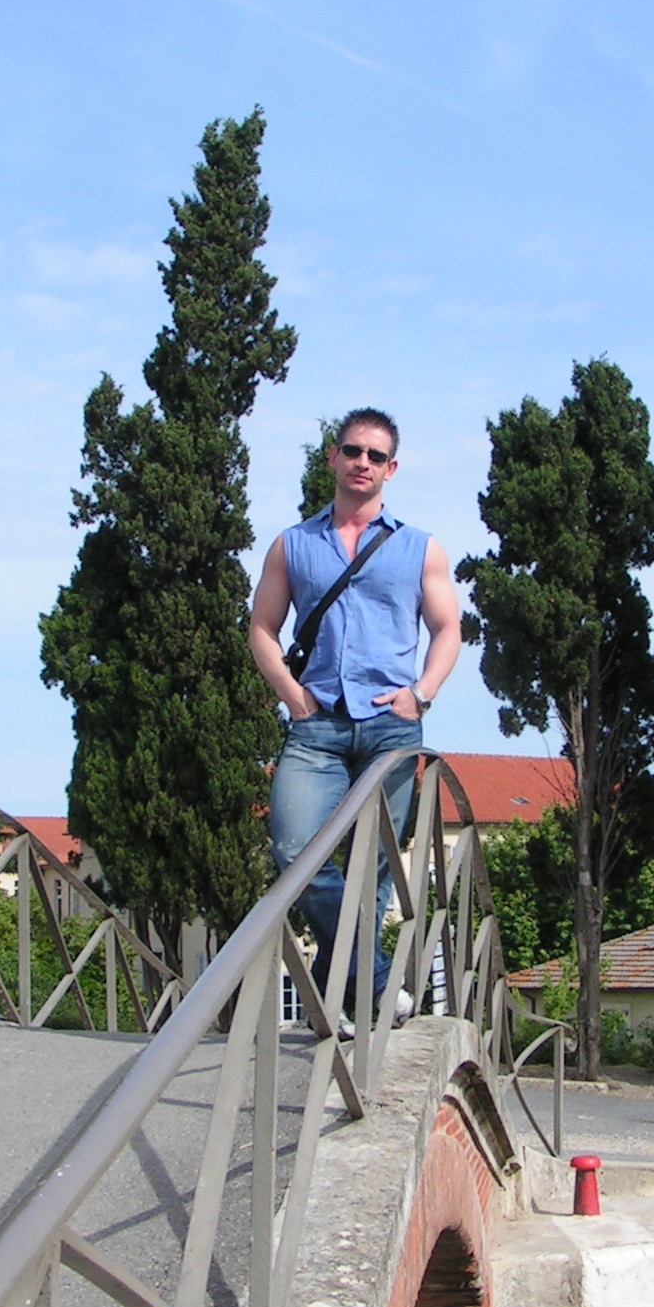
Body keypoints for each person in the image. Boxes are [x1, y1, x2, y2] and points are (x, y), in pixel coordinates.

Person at [249, 408, 461, 1027]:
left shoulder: (420, 547)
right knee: (294, 850)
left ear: (390, 469)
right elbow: (262, 628)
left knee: (375, 869)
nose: (362, 462)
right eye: (352, 451)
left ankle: (340, 1000)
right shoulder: (293, 544)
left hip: (392, 725)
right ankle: (375, 982)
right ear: (333, 458)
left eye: (375, 455)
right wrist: (292, 694)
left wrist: (421, 693)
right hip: (315, 725)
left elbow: (448, 629)